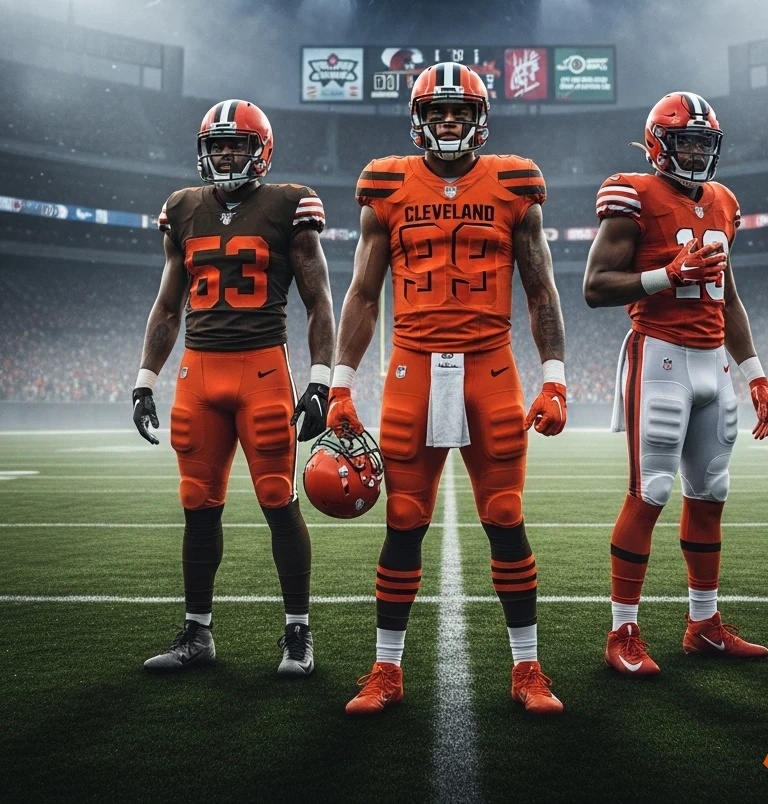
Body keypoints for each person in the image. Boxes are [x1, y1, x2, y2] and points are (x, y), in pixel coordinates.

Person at [330, 62, 567, 716]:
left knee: (505, 516)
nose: (449, 121)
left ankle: (527, 669)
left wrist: (555, 377)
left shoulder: (516, 183)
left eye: (459, 111)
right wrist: (342, 383)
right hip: (412, 365)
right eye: (438, 113)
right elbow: (361, 292)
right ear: (420, 120)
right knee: (404, 519)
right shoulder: (387, 185)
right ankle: (385, 670)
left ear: (480, 118)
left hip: (490, 363)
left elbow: (540, 288)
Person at [132, 99, 335, 677]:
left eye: (237, 144)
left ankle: (298, 632)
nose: (226, 153)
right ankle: (197, 633)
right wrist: (146, 379)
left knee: (277, 499)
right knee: (197, 505)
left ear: (260, 150)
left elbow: (319, 302)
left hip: (262, 371)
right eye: (217, 144)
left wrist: (320, 381)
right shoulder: (183, 209)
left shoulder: (287, 205)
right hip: (198, 373)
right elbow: (168, 305)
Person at [583, 91, 768, 676]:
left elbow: (731, 297)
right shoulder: (633, 194)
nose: (694, 152)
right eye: (684, 141)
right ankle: (622, 631)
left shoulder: (723, 201)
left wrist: (756, 374)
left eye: (702, 142)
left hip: (714, 360)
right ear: (657, 144)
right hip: (659, 355)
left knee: (711, 491)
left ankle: (704, 624)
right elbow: (596, 286)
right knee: (652, 491)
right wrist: (665, 276)